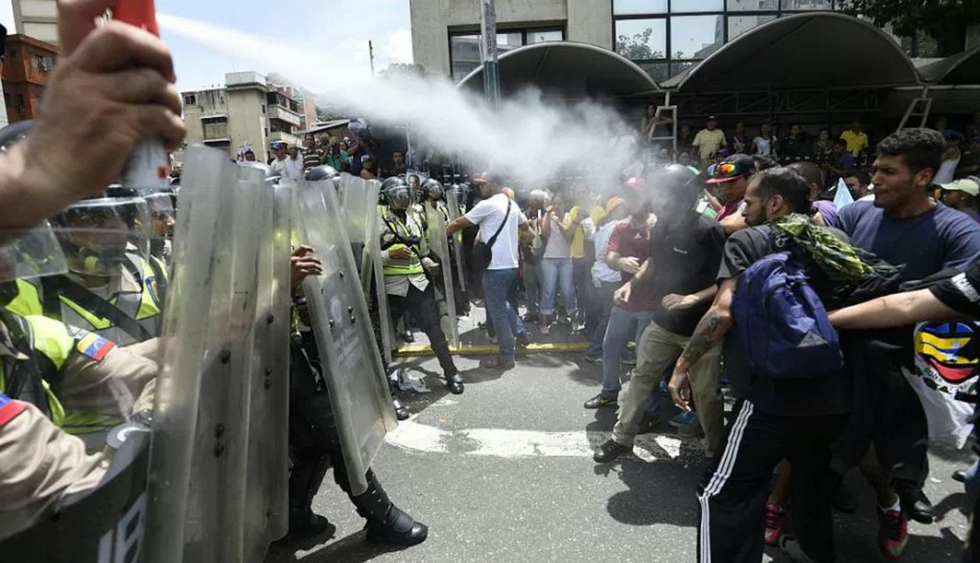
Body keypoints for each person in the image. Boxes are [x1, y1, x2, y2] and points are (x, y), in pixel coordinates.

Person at [0, 0, 184, 535]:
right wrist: (28, 176)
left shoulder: (28, 332)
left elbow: (135, 360)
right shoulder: (35, 300)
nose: (116, 228)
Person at [669, 167, 859, 563]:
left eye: (750, 202)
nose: (744, 209)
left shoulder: (750, 241)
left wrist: (683, 364)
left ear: (775, 203)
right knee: (809, 484)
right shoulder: (837, 239)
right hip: (832, 392)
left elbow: (723, 312)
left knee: (721, 492)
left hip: (771, 394)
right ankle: (811, 552)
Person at [825, 128, 980, 559]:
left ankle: (894, 501)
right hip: (842, 347)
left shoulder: (958, 231)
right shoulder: (859, 214)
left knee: (885, 446)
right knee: (823, 437)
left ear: (922, 176)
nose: (875, 179)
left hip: (910, 362)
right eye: (874, 168)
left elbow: (940, 303)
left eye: (888, 171)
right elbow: (822, 236)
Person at [283, 245, 427, 545]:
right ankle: (380, 516)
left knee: (314, 439)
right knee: (337, 435)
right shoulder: (230, 246)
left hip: (290, 356)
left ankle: (293, 515)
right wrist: (282, 283)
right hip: (265, 362)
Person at [6, 188, 168, 350]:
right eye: (97, 216)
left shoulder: (151, 271)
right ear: (58, 225)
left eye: (125, 215)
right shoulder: (23, 291)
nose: (119, 227)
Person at [582, 182, 662, 424]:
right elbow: (610, 255)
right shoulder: (622, 227)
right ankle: (609, 392)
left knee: (646, 358)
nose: (629, 200)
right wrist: (621, 262)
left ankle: (650, 409)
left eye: (634, 195)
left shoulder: (656, 225)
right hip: (624, 300)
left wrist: (631, 277)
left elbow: (656, 260)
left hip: (650, 304)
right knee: (610, 348)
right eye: (627, 196)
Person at [377, 177, 464, 395]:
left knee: (434, 329)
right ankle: (385, 391)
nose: (402, 199)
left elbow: (421, 248)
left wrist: (428, 262)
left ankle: (451, 371)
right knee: (384, 340)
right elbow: (365, 256)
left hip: (418, 282)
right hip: (391, 287)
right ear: (386, 197)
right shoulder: (377, 219)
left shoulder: (413, 217)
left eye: (405, 194)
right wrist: (389, 254)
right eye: (398, 195)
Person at [447, 172, 529, 370]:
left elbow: (458, 223)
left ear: (493, 184)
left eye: (483, 184)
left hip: (494, 268)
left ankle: (506, 356)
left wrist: (438, 233)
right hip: (510, 265)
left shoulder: (488, 204)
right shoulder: (511, 204)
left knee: (497, 313)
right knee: (504, 302)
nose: (480, 188)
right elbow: (525, 225)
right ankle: (521, 333)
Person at [584, 196, 628, 364]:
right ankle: (594, 351)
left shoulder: (602, 226)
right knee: (610, 317)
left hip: (601, 275)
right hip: (612, 275)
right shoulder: (619, 226)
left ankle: (618, 351)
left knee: (611, 315)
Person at [538, 192, 579, 334]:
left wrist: (558, 221)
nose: (557, 206)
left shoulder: (569, 217)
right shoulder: (549, 215)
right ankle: (543, 322)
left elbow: (568, 236)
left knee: (568, 290)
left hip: (566, 259)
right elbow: (544, 234)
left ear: (565, 204)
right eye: (554, 203)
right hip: (549, 259)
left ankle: (573, 318)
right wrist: (548, 217)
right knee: (548, 290)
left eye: (560, 203)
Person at [708, 154, 756, 235]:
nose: (725, 187)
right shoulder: (734, 200)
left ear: (750, 178)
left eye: (731, 181)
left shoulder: (752, 201)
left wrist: (702, 225)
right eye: (721, 182)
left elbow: (733, 225)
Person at [521, 190, 548, 323]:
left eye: (537, 199)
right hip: (528, 257)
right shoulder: (524, 214)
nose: (533, 202)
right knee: (530, 285)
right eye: (532, 199)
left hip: (544, 257)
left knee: (544, 285)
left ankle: (545, 312)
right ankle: (531, 310)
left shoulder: (547, 214)